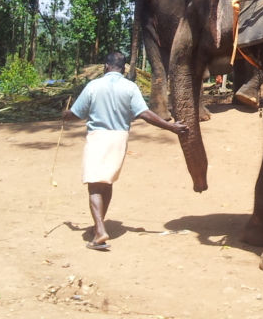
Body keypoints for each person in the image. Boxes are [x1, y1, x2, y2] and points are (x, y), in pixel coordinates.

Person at [62, 52, 188, 251]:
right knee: (107, 181)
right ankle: (98, 225)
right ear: (123, 68)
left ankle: (100, 232)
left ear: (106, 66)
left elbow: (77, 113)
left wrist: (66, 114)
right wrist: (170, 127)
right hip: (120, 138)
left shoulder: (93, 86)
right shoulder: (130, 87)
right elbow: (144, 113)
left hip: (98, 137)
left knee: (94, 184)